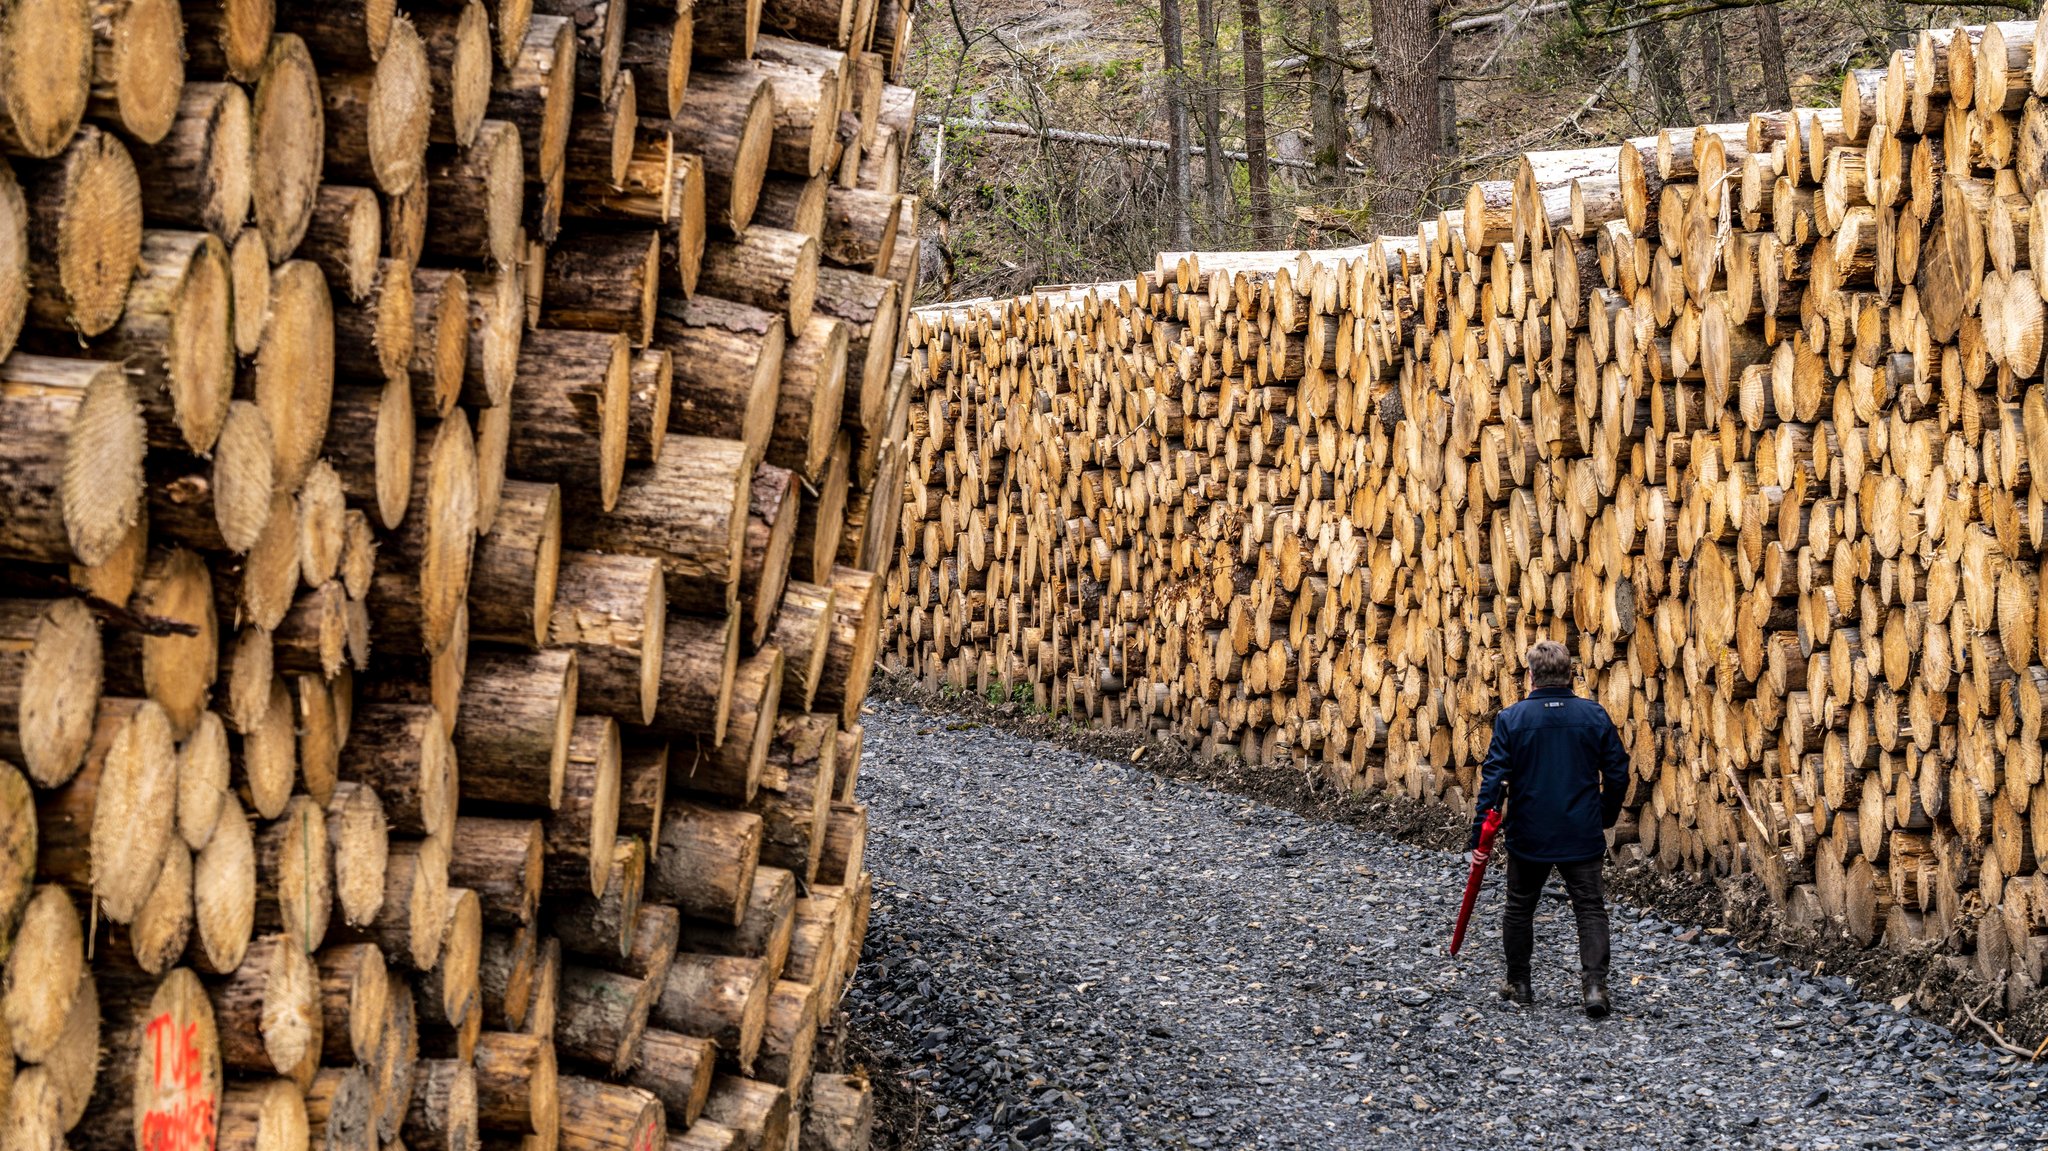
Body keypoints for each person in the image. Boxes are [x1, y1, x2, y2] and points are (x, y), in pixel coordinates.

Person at [1467, 639, 1629, 1018]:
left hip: (1530, 832)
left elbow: (1493, 782)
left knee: (1520, 907)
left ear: (1530, 675)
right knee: (1590, 909)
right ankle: (1593, 987)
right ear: (1569, 673)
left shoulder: (1511, 719)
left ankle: (1520, 983)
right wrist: (1604, 814)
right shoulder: (1594, 715)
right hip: (1581, 830)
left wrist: (1480, 835)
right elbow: (1618, 772)